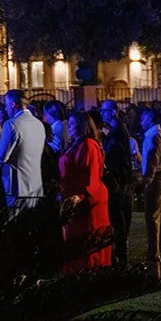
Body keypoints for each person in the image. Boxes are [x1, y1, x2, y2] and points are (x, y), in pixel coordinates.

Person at [58, 111, 112, 273]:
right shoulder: (76, 143)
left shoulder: (88, 145)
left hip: (87, 198)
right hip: (74, 195)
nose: (71, 127)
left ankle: (89, 270)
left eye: (74, 124)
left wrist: (81, 196)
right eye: (70, 124)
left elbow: (92, 174)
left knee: (88, 235)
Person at [140, 105, 161, 280]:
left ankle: (154, 252)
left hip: (159, 177)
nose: (141, 120)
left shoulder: (155, 136)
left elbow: (153, 159)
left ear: (151, 118)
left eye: (143, 118)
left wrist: (147, 179)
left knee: (152, 215)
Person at [98, 100, 136, 266]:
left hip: (118, 182)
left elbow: (116, 156)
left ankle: (121, 258)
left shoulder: (118, 132)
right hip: (120, 181)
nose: (102, 112)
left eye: (105, 110)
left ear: (113, 112)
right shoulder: (115, 130)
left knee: (119, 221)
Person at [0, 89, 47, 208]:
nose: (5, 108)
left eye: (6, 104)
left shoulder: (11, 124)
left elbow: (2, 157)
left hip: (16, 186)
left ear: (13, 104)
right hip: (35, 185)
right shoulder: (39, 124)